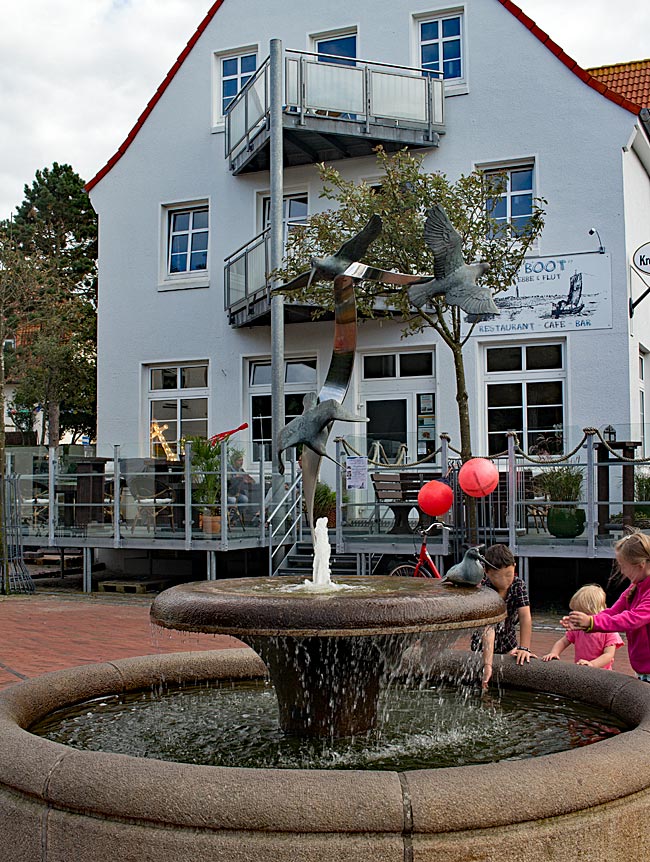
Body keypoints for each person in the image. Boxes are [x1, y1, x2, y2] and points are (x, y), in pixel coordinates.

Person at [563, 531, 650, 681]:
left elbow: (631, 619)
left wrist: (591, 622)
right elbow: (613, 612)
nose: (622, 571)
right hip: (643, 668)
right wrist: (584, 621)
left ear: (640, 564)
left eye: (623, 566)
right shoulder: (634, 587)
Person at [470, 543, 534, 689]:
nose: (505, 581)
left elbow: (525, 617)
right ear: (486, 571)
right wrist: (487, 663)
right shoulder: (483, 589)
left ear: (515, 567)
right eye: (498, 576)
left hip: (509, 644)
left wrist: (524, 648)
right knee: (482, 683)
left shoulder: (518, 585)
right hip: (481, 647)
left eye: (509, 575)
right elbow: (488, 628)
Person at [542, 584, 623, 669]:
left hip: (602, 674)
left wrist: (592, 664)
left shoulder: (608, 630)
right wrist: (554, 653)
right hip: (582, 670)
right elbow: (563, 641)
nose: (579, 619)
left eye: (582, 614)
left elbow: (608, 655)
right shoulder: (578, 629)